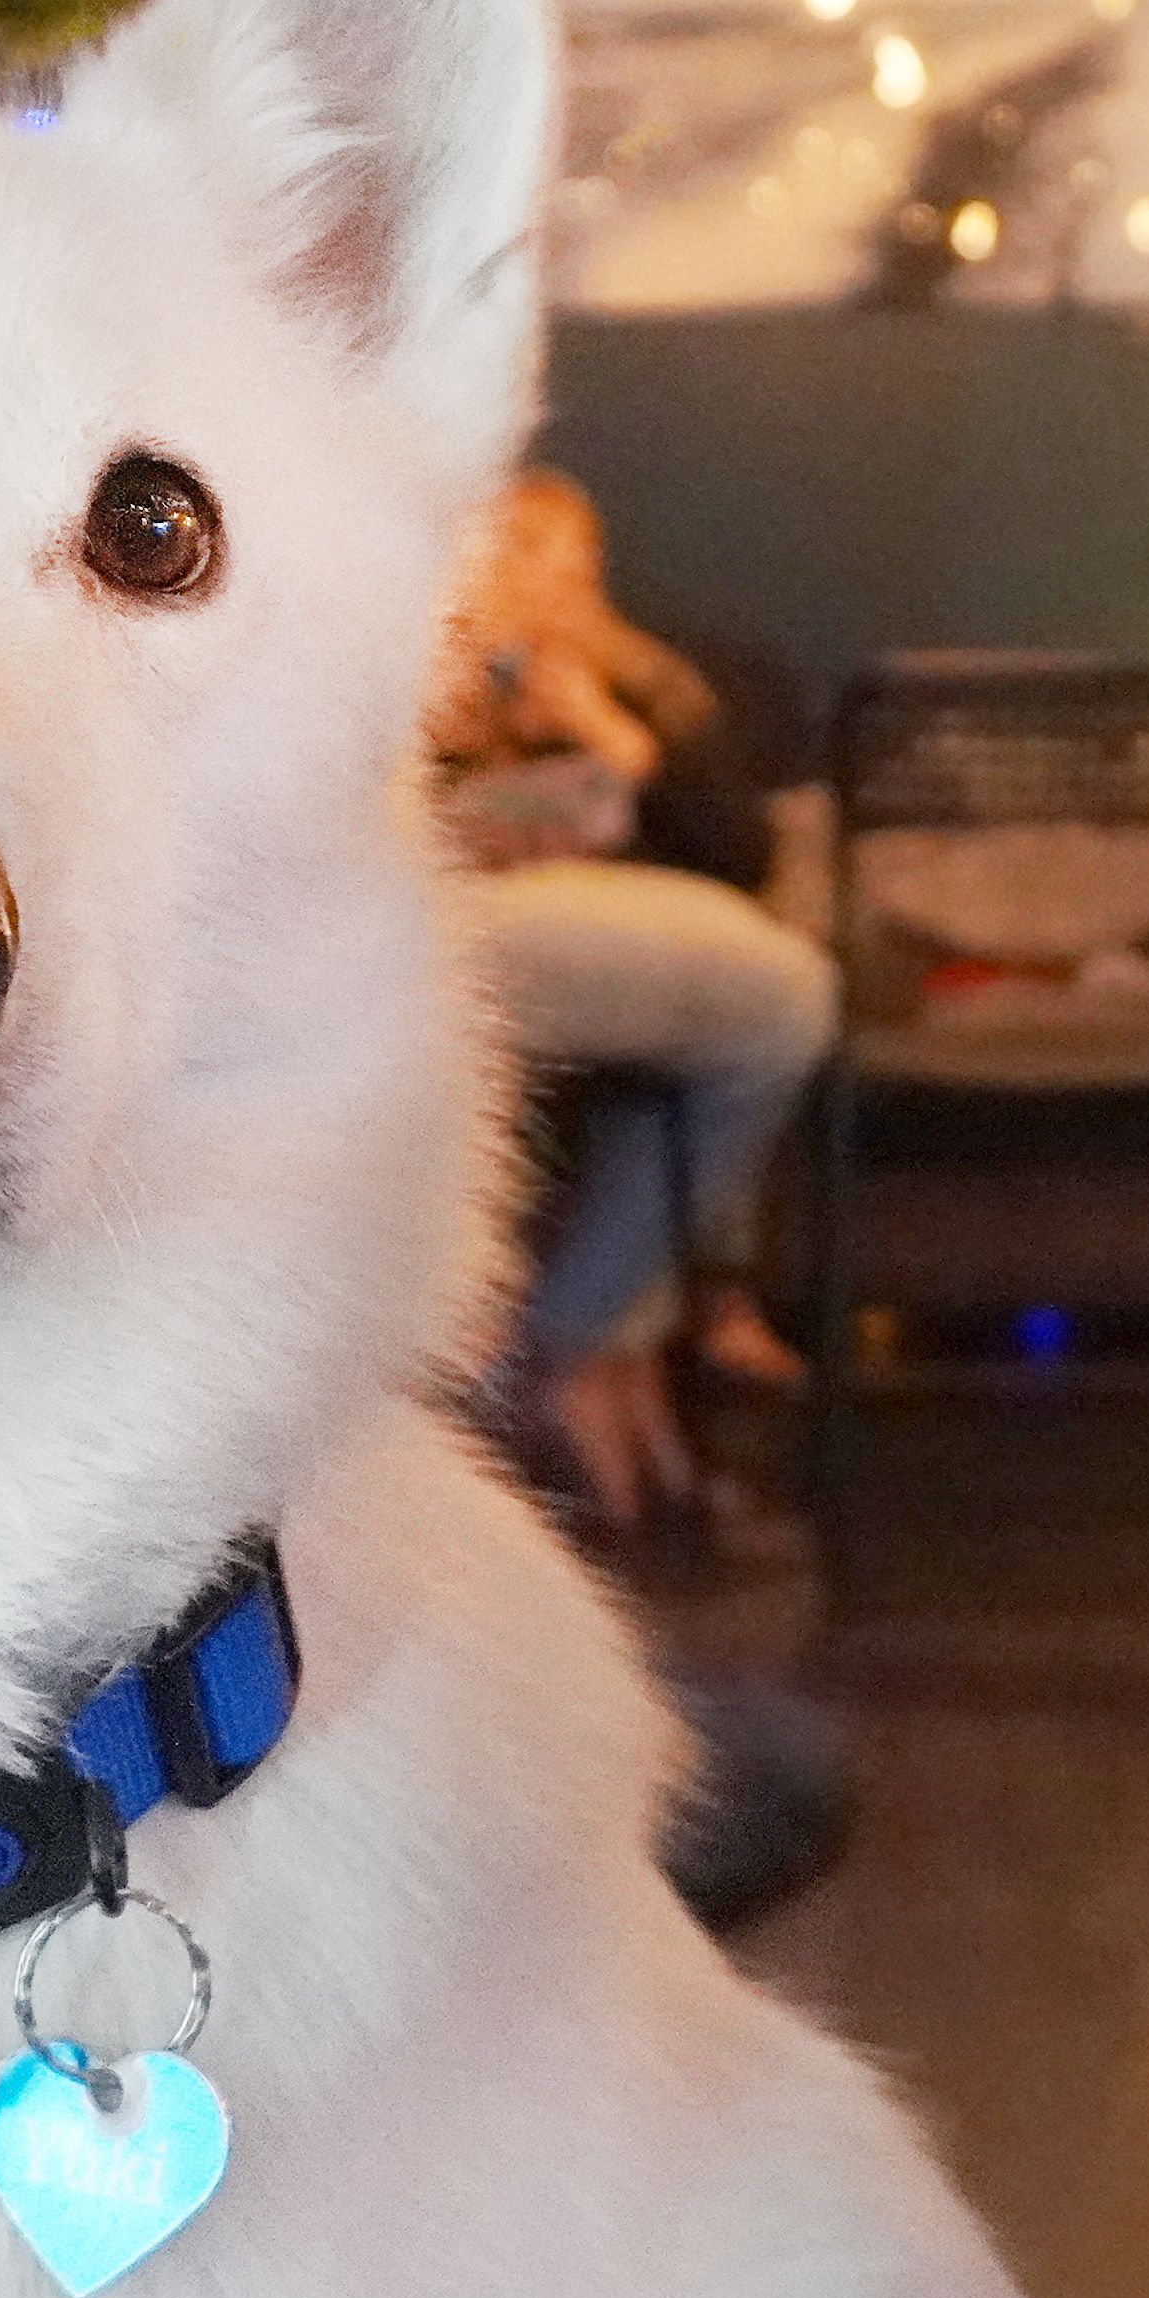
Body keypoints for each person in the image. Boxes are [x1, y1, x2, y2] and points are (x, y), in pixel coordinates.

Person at [439, 471, 834, 1523]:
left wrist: (616, 741)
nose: (546, 584)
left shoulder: (652, 683)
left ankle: (616, 1414)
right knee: (723, 1034)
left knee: (677, 1067)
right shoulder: (426, 686)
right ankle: (593, 1393)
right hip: (488, 950)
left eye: (568, 560)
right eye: (517, 552)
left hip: (638, 989)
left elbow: (735, 854)